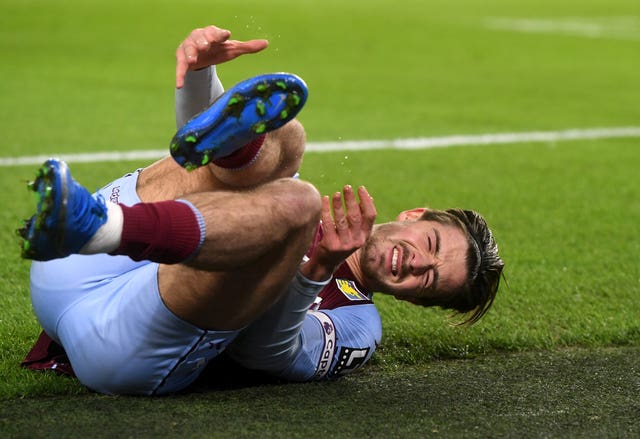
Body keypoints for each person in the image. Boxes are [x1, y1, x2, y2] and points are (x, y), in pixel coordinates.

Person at [18, 25, 504, 395]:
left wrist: (315, 270)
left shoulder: (360, 327)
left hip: (127, 346)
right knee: (288, 143)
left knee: (297, 201)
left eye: (430, 280)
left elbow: (264, 355)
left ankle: (100, 226)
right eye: (432, 246)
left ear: (415, 301)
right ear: (416, 215)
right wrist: (201, 73)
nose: (419, 263)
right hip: (76, 265)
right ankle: (96, 223)